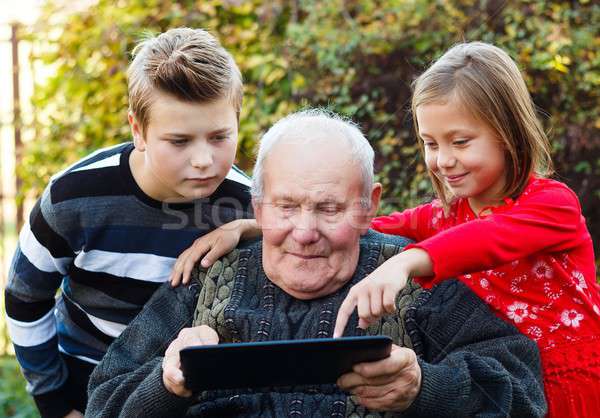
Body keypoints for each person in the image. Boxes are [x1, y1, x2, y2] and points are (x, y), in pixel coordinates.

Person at [87, 110, 546, 418]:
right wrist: (167, 382)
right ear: (259, 206)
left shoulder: (412, 281)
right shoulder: (204, 282)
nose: (304, 233)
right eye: (285, 207)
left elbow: (525, 393)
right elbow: (103, 403)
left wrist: (425, 387)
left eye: (329, 209)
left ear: (369, 205)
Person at [333, 42, 600, 417]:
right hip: (509, 387)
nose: (443, 160)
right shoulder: (443, 215)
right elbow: (362, 227)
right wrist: (257, 227)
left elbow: (489, 238)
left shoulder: (552, 204)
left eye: (460, 142)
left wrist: (405, 262)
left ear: (507, 134)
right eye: (430, 144)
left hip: (574, 389)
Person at [4, 28, 253, 418]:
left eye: (220, 136)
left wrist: (251, 228)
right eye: (179, 141)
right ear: (138, 130)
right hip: (85, 387)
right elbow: (24, 297)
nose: (204, 159)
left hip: (190, 393)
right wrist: (54, 403)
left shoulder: (244, 203)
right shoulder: (74, 196)